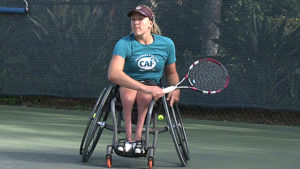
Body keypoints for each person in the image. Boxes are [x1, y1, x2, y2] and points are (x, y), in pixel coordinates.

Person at [107, 5, 180, 155]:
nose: (136, 23)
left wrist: (175, 88)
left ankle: (138, 139)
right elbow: (113, 74)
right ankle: (128, 140)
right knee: (128, 95)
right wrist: (144, 88)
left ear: (150, 23)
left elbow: (171, 73)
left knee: (145, 96)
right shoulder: (123, 44)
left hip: (152, 85)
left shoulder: (166, 44)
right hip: (128, 83)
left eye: (140, 19)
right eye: (133, 19)